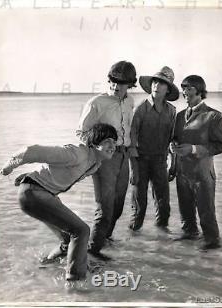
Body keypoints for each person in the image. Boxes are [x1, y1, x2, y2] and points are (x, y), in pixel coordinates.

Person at [0, 123, 117, 281]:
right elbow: (32, 150)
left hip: (41, 192)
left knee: (68, 240)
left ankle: (45, 266)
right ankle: (75, 281)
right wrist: (10, 166)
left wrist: (32, 174)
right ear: (95, 143)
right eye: (108, 141)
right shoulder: (77, 153)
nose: (113, 146)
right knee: (81, 231)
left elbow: (58, 171)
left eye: (115, 142)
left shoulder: (94, 164)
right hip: (34, 193)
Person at [77, 60, 137, 258]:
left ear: (130, 84)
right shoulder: (96, 103)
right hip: (105, 159)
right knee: (105, 209)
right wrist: (97, 151)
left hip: (123, 155)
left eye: (121, 83)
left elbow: (128, 130)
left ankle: (103, 240)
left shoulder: (130, 102)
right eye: (113, 81)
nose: (116, 86)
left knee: (118, 206)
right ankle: (91, 254)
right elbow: (81, 133)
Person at [170, 75, 222, 250]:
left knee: (206, 211)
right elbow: (176, 139)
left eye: (189, 89)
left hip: (203, 173)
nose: (184, 92)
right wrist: (173, 149)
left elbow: (219, 145)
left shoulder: (213, 116)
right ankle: (189, 235)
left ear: (200, 91)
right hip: (182, 172)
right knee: (185, 211)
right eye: (183, 88)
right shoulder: (179, 116)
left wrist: (194, 149)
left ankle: (212, 243)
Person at [129, 66, 179, 232]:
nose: (157, 85)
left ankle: (162, 243)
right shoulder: (139, 109)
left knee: (164, 205)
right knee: (139, 206)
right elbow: (131, 142)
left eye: (162, 83)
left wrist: (174, 164)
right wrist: (133, 169)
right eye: (155, 82)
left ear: (168, 89)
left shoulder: (172, 111)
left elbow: (173, 140)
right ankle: (133, 242)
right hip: (140, 161)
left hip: (160, 162)